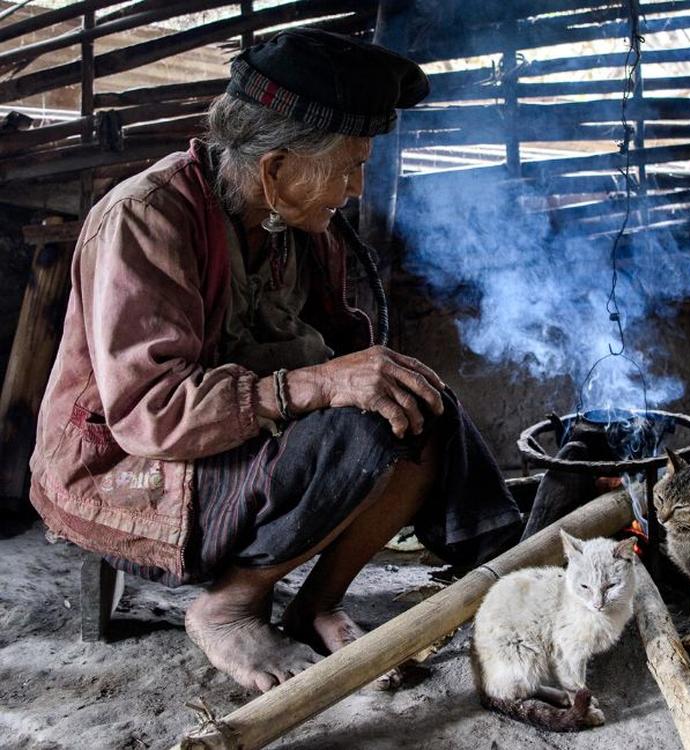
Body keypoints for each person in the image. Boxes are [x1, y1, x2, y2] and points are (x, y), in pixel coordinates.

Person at [29, 28, 521, 693]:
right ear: (275, 166)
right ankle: (230, 605)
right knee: (364, 430)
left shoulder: (296, 222)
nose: (353, 186)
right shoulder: (146, 218)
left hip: (237, 446)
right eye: (348, 166)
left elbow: (341, 352)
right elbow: (150, 414)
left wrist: (369, 377)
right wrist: (317, 385)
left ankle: (325, 601)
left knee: (417, 410)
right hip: (132, 467)